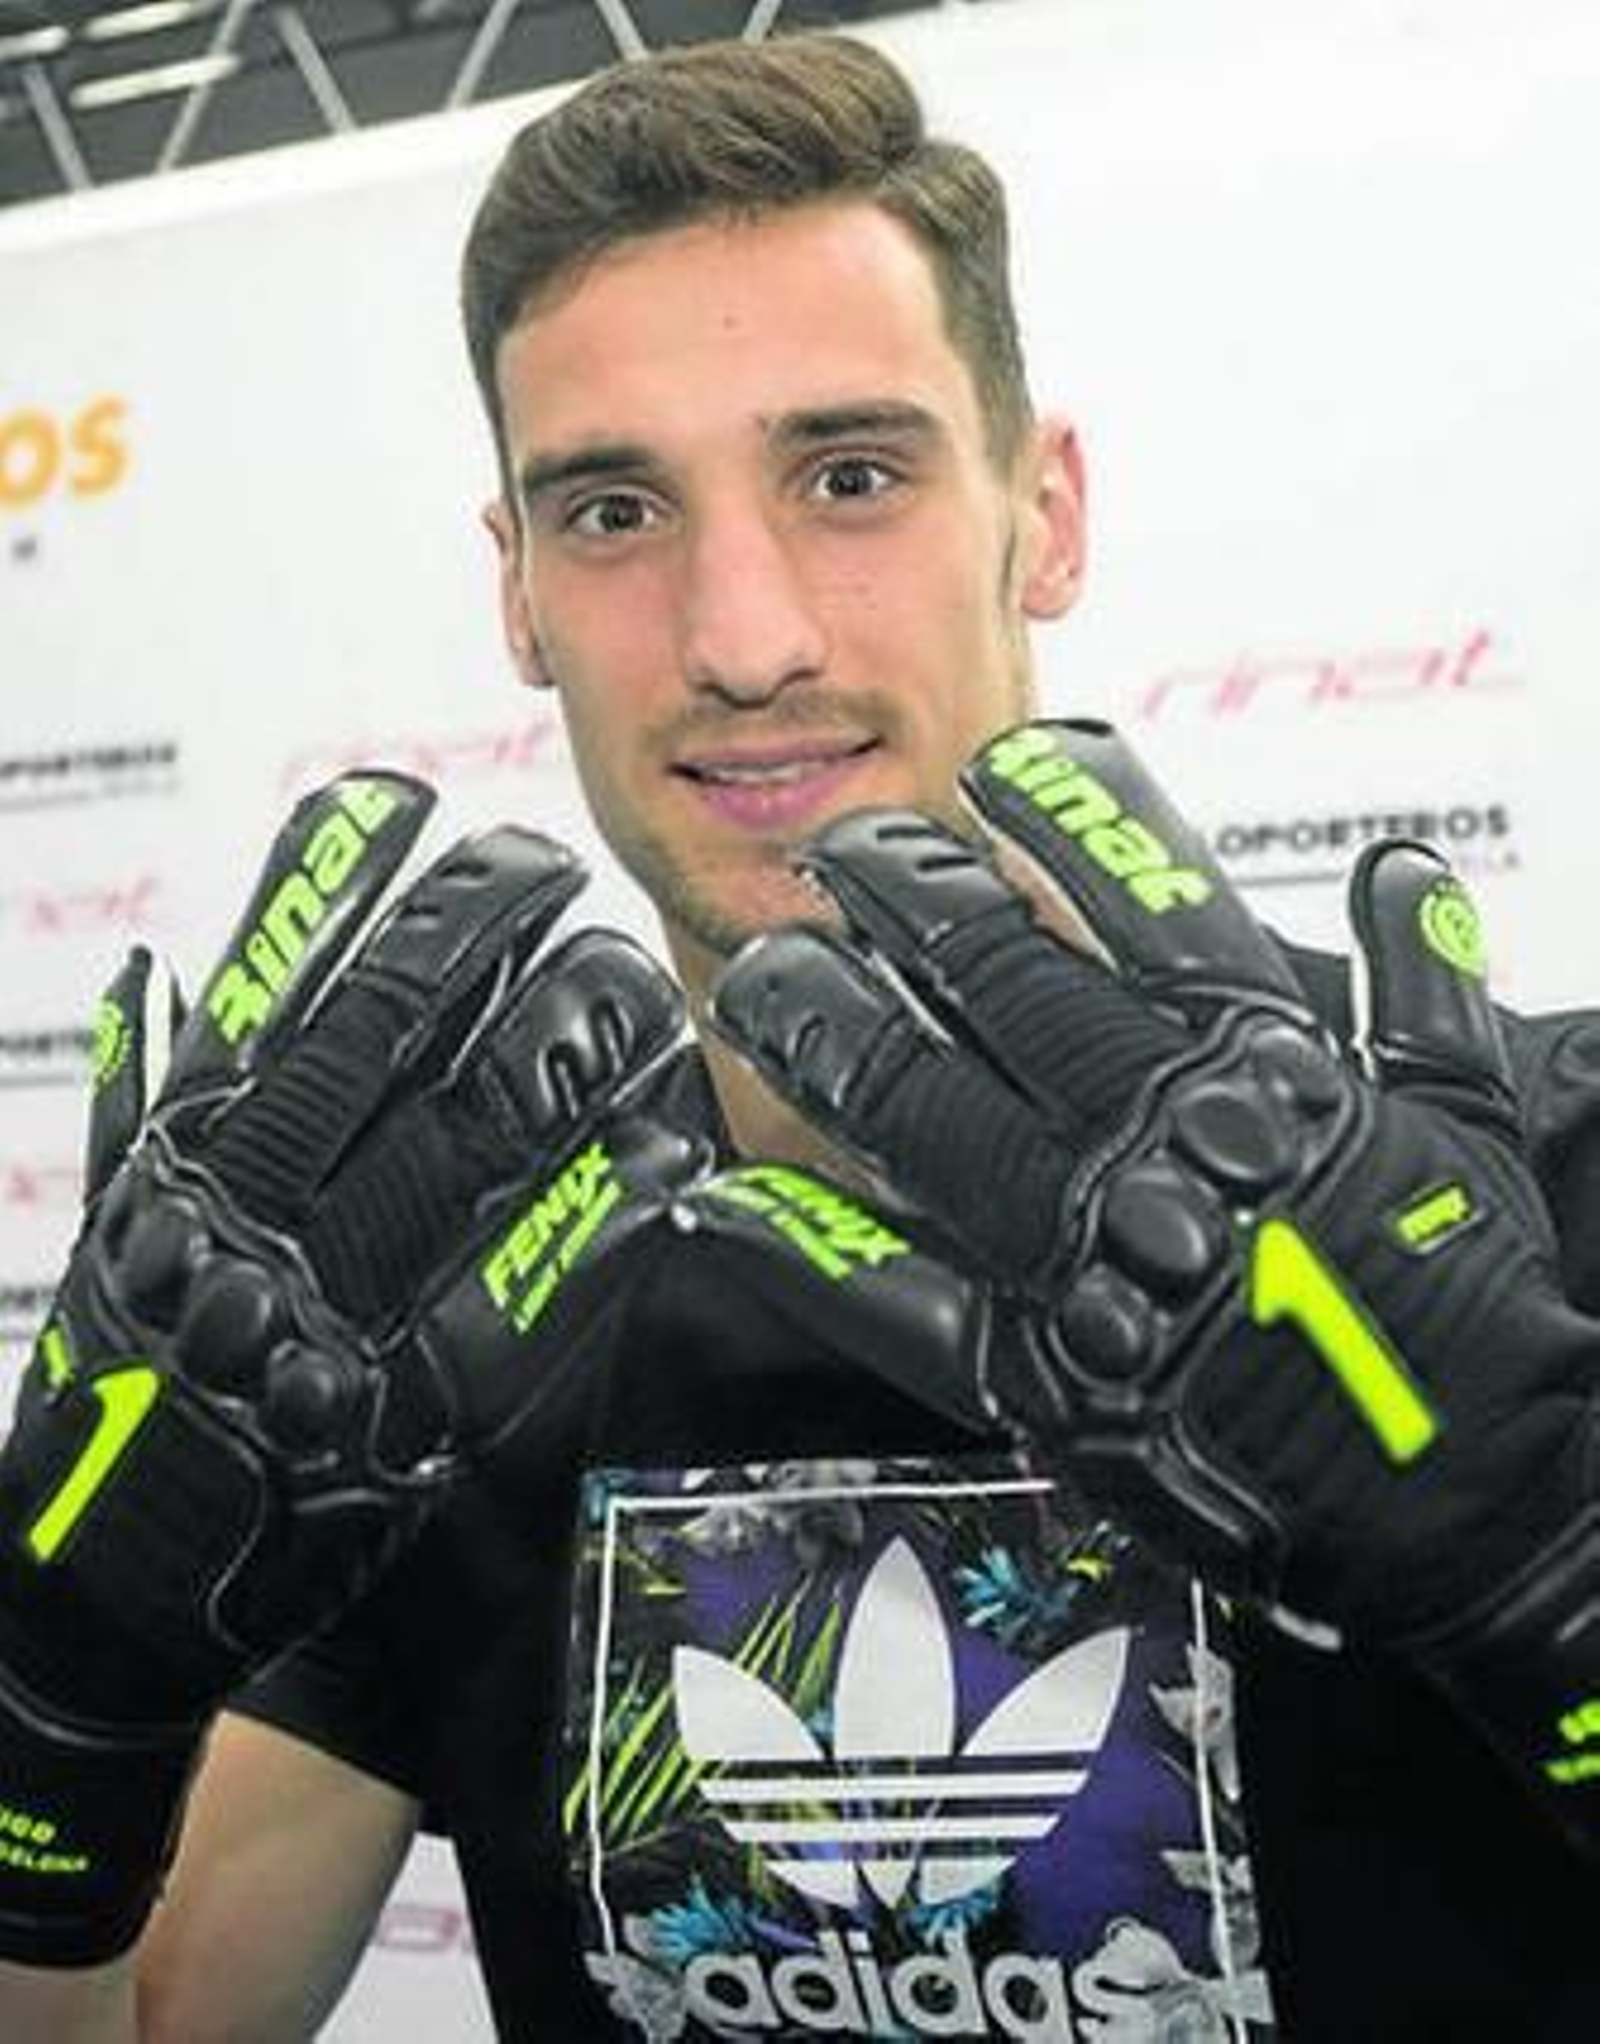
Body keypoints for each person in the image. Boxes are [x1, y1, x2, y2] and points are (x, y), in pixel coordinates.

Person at [0, 31, 1597, 2043]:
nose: (741, 632)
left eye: (849, 474)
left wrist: (1556, 1591)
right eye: (610, 510)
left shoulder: (1519, 1189)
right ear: (515, 591)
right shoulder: (440, 1321)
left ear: (1045, 515)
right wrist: (54, 1714)